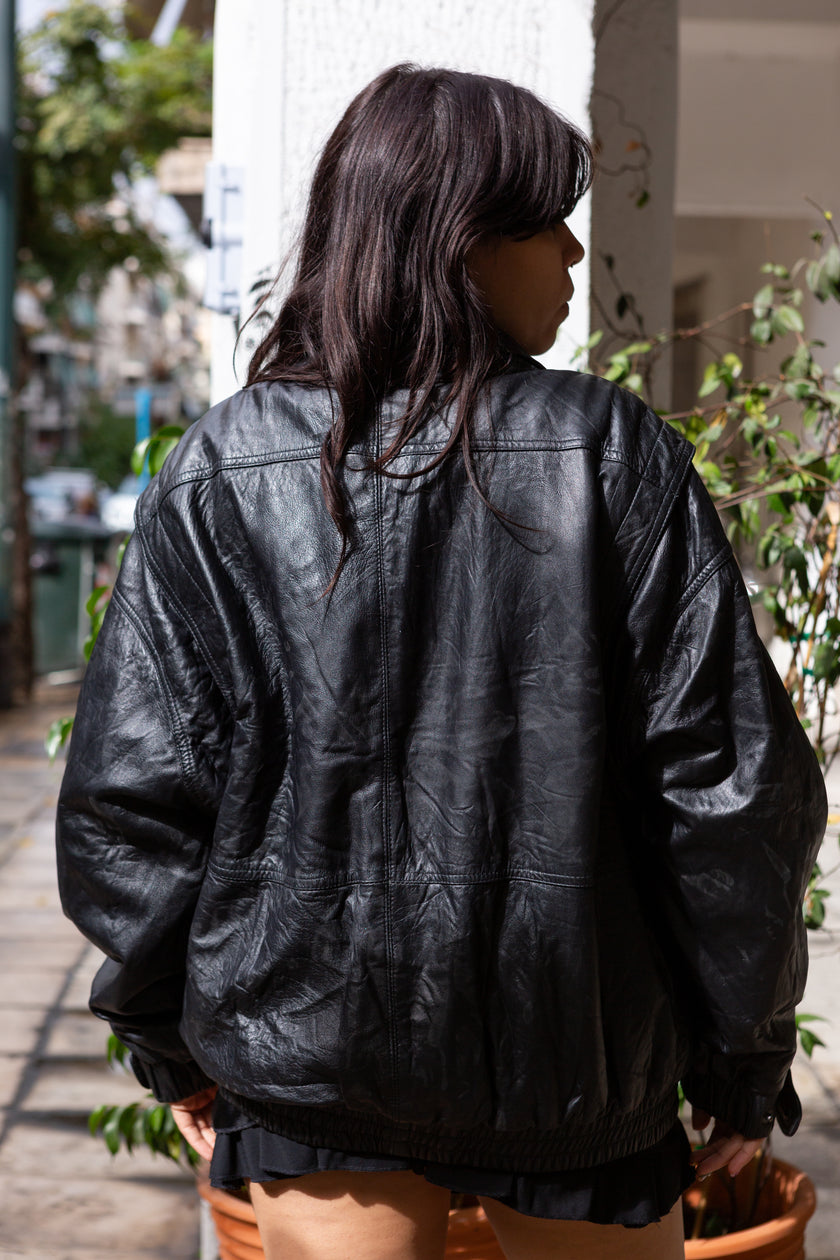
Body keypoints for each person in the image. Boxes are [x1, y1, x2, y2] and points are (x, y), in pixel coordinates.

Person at [55, 64, 828, 1260]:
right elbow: (731, 795)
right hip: (577, 1061)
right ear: (458, 237)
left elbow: (133, 802)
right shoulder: (612, 451)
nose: (575, 251)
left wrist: (169, 1040)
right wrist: (741, 1052)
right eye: (546, 218)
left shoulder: (221, 469)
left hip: (308, 1059)